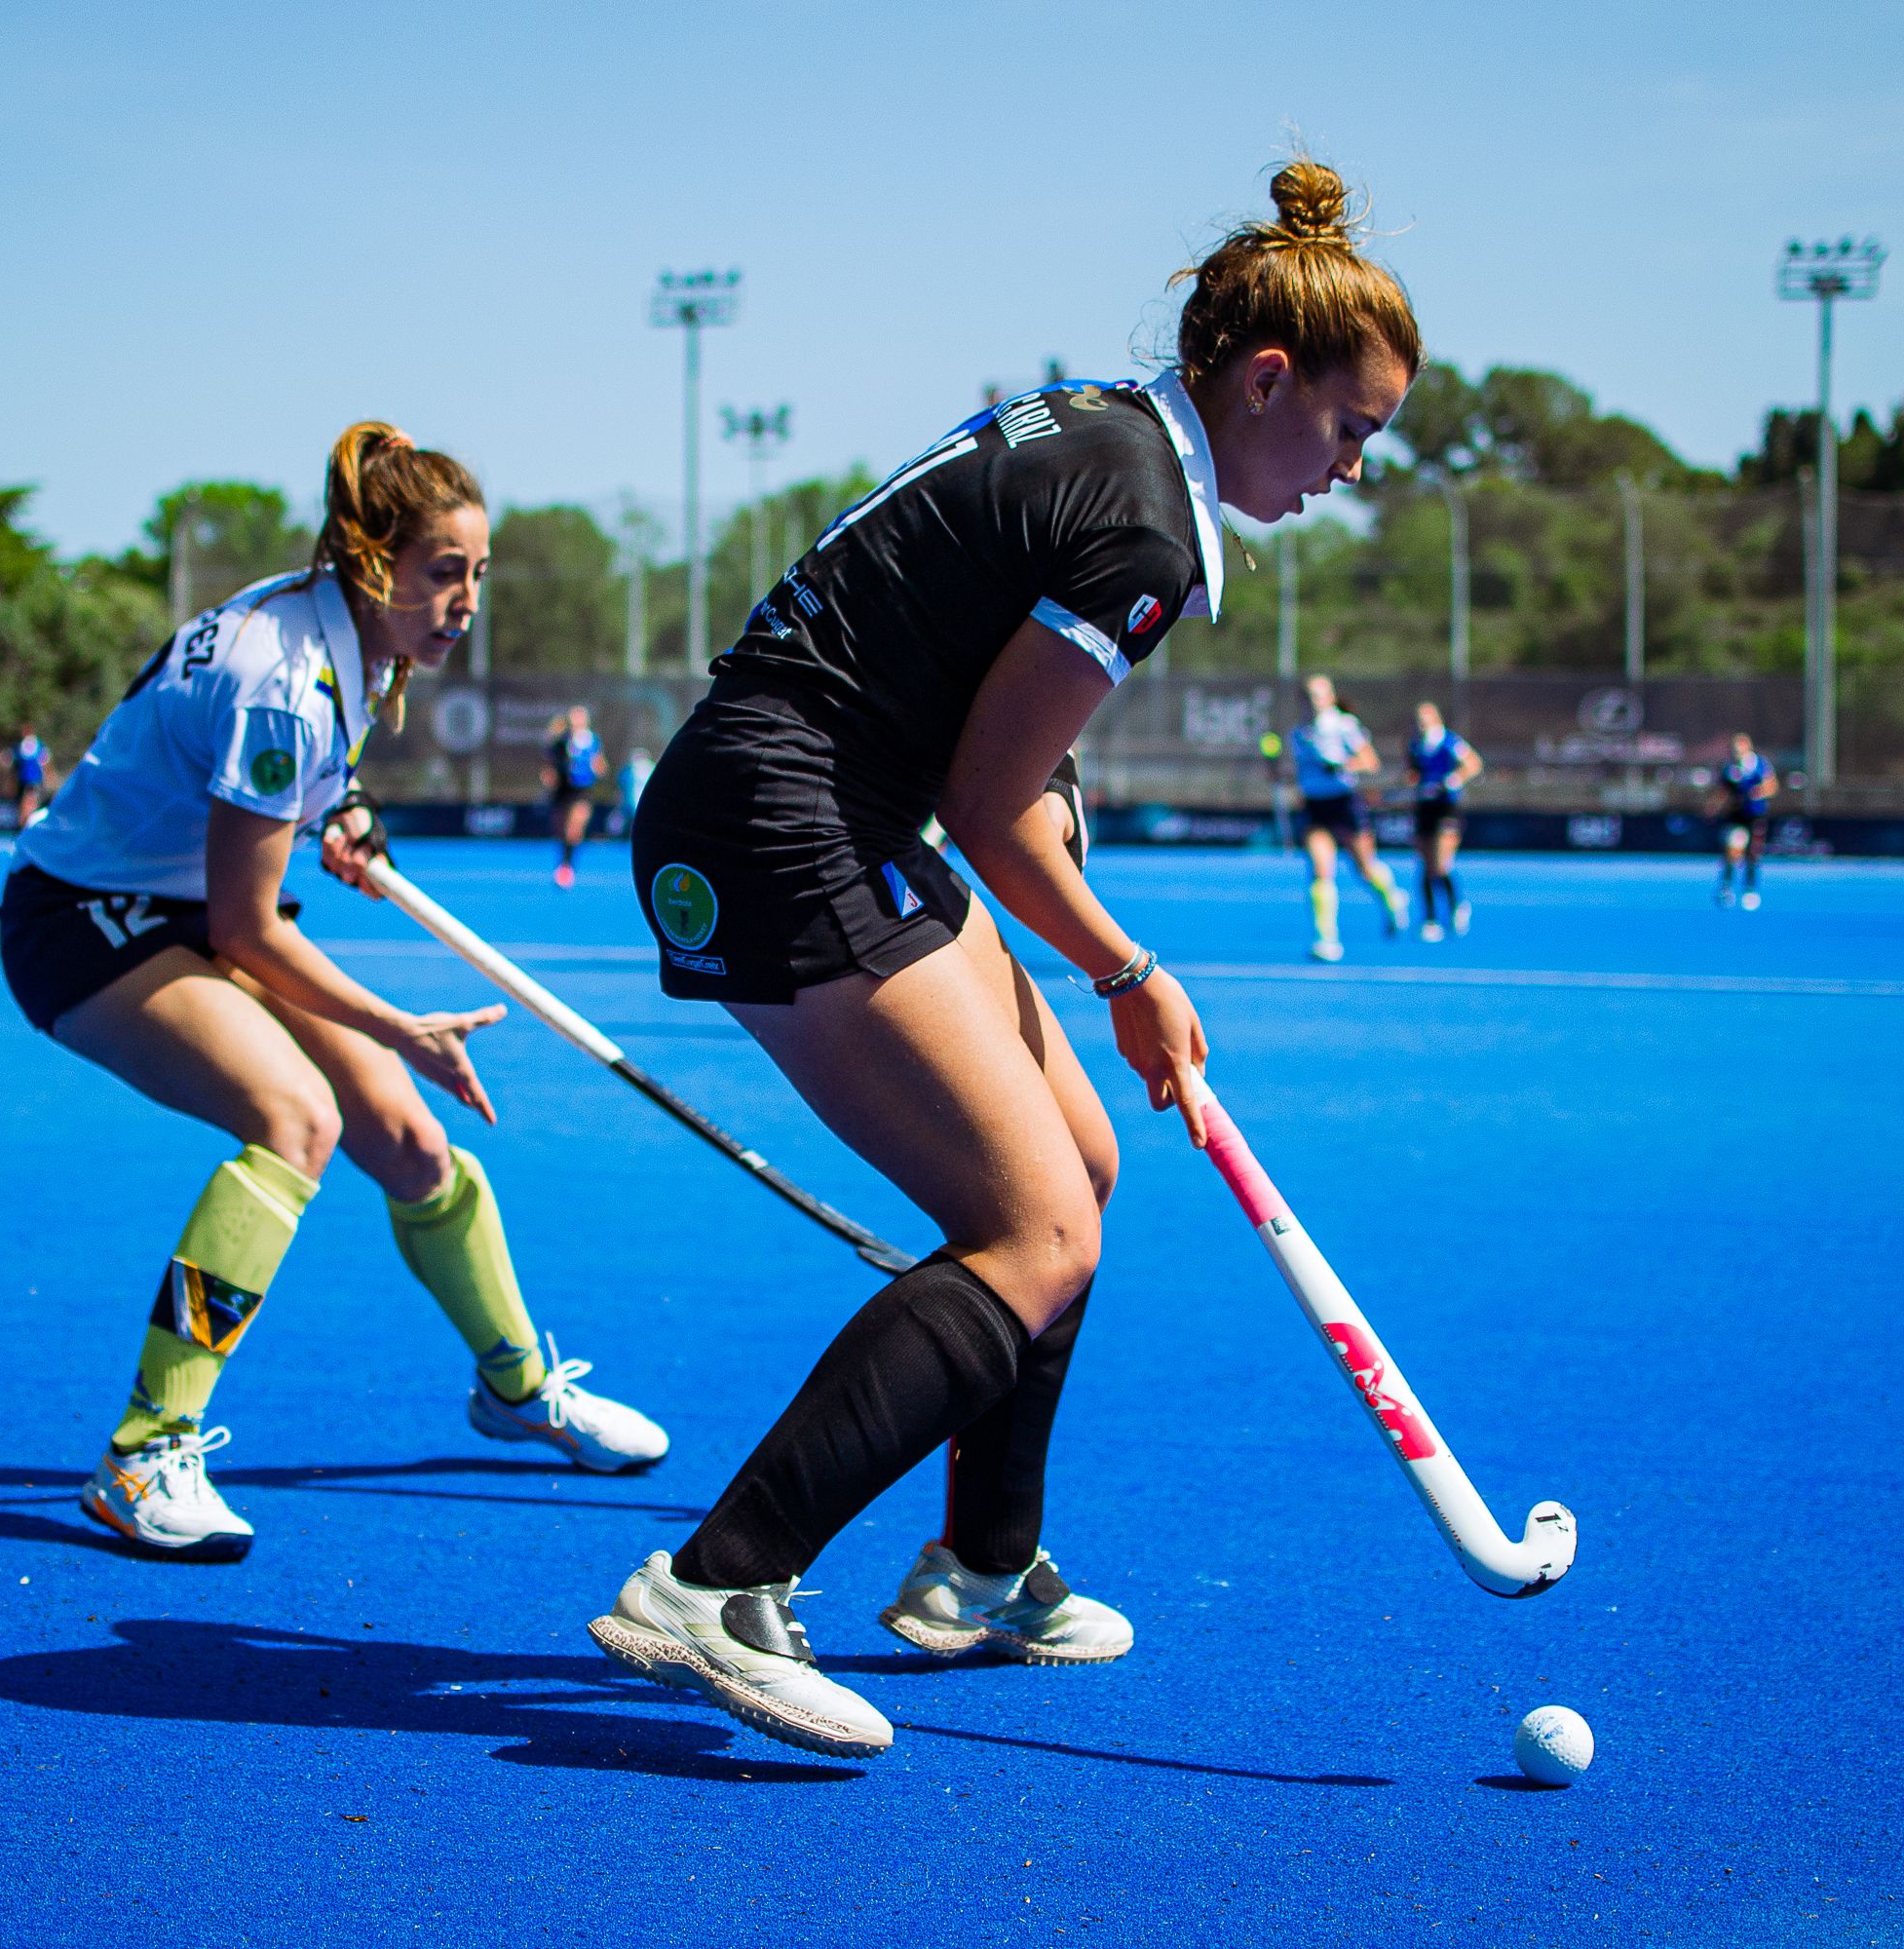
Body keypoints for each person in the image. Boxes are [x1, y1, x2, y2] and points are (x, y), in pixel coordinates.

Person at [589, 153, 1419, 1759]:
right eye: (1348, 429)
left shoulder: (1107, 424)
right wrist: (1126, 970)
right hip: (784, 818)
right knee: (1032, 1233)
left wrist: (1080, 903)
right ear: (1265, 378)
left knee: (1081, 1168)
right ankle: (718, 1583)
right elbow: (990, 801)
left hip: (826, 796)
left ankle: (979, 1568)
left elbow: (983, 723)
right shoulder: (1147, 529)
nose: (1351, 467)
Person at [0, 423, 666, 1564]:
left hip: (177, 901)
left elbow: (290, 795)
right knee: (296, 1116)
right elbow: (244, 928)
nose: (465, 601)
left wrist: (341, 810)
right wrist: (398, 1024)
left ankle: (516, 1390)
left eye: (478, 575)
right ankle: (142, 1451)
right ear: (373, 565)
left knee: (409, 1138)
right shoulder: (285, 682)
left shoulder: (335, 630)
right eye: (444, 573)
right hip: (82, 920)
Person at [1290, 672, 1405, 961]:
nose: (1313, 702)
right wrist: (1274, 771)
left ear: (1329, 697)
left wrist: (1342, 764)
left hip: (1344, 804)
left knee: (1365, 869)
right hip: (1316, 808)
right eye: (1308, 696)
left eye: (1318, 695)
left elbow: (1370, 762)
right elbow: (1295, 774)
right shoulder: (1299, 735)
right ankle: (1327, 939)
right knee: (1320, 871)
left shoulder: (1345, 727)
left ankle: (1392, 900)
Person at [1404, 701, 1479, 940]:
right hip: (1424, 808)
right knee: (1424, 864)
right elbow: (1413, 774)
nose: (1421, 724)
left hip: (1446, 808)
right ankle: (1430, 918)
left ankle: (1457, 906)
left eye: (1425, 718)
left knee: (1440, 863)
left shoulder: (1449, 742)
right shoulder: (1415, 745)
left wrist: (1454, 779)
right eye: (1418, 719)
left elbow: (1474, 764)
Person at [541, 704, 604, 888]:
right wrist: (549, 776)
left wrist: (597, 769)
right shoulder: (561, 741)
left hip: (582, 790)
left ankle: (567, 867)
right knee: (560, 829)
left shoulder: (592, 741)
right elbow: (550, 763)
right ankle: (563, 859)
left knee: (574, 827)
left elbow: (600, 764)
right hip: (563, 790)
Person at [1715, 732, 1775, 909]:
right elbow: (1723, 791)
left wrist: (1759, 792)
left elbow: (1772, 786)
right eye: (1733, 749)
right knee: (1732, 851)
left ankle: (1750, 890)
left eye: (1739, 748)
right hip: (1736, 817)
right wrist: (1716, 806)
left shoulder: (1759, 764)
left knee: (1753, 854)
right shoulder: (1729, 768)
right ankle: (1725, 887)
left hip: (1756, 816)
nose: (1736, 752)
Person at [11, 724, 51, 828]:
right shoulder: (21, 746)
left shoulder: (37, 746)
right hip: (24, 780)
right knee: (27, 805)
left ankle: (27, 827)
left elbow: (45, 764)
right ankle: (25, 827)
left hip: (33, 780)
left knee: (28, 804)